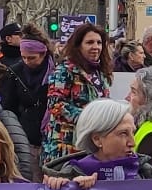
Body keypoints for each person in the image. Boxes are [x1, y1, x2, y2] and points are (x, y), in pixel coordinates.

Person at [45, 98, 152, 188]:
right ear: (97, 139)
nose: (132, 143)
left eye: (133, 133)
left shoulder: (145, 170)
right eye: (123, 134)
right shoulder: (71, 173)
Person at [42, 23, 113, 165]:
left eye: (99, 43)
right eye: (89, 42)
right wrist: (89, 117)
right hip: (64, 145)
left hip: (91, 143)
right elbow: (56, 105)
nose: (96, 47)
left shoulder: (101, 72)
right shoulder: (64, 70)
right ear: (78, 45)